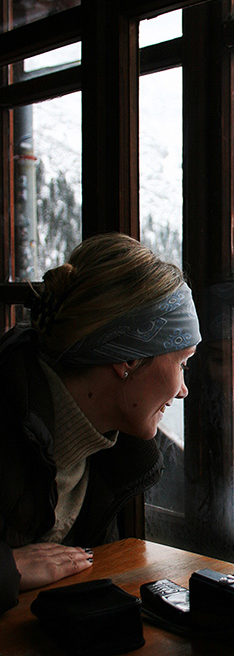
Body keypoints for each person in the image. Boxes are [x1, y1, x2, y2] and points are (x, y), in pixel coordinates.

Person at [0, 233, 201, 615]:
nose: (183, 391)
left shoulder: (111, 451)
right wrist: (7, 570)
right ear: (127, 359)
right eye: (181, 363)